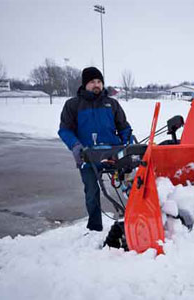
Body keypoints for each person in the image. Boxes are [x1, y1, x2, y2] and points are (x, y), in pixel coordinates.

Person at [58, 67, 132, 232]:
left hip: (113, 153)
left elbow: (124, 127)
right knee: (92, 192)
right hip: (88, 156)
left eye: (99, 81)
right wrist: (76, 146)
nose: (96, 85)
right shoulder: (73, 105)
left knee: (130, 185)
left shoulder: (111, 104)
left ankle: (134, 219)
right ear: (85, 84)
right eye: (92, 82)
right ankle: (95, 228)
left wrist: (128, 143)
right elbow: (65, 130)